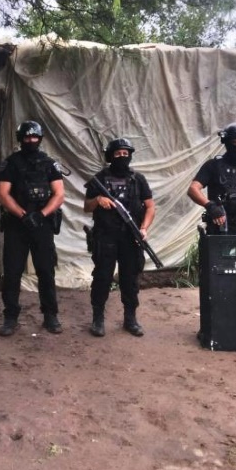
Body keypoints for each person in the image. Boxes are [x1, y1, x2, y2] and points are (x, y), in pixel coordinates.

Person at [0, 120, 66, 336]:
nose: (31, 140)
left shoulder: (49, 164)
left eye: (35, 137)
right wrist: (23, 215)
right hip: (17, 225)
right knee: (12, 273)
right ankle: (10, 317)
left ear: (40, 139)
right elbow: (2, 194)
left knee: (46, 271)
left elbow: (59, 194)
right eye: (27, 137)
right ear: (21, 139)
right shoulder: (10, 164)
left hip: (42, 225)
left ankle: (50, 315)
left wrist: (41, 215)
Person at [83, 138, 156, 337]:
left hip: (130, 237)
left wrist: (143, 228)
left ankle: (130, 319)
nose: (122, 157)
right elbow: (86, 206)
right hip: (105, 237)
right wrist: (98, 200)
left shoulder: (138, 179)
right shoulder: (100, 179)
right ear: (110, 156)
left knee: (130, 279)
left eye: (126, 154)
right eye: (118, 154)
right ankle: (98, 318)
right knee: (102, 277)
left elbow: (150, 207)